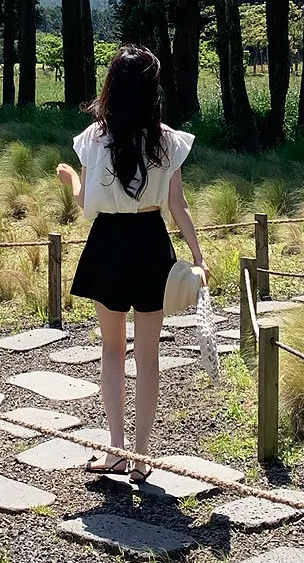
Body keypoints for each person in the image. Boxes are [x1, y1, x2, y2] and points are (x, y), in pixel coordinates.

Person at [55, 42, 205, 470]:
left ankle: (116, 450)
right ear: (151, 89)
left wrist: (70, 179)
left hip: (108, 243)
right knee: (148, 355)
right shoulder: (167, 140)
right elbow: (178, 205)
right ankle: (140, 455)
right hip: (151, 243)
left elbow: (87, 206)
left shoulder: (94, 138)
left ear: (112, 87)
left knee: (112, 349)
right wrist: (198, 256)